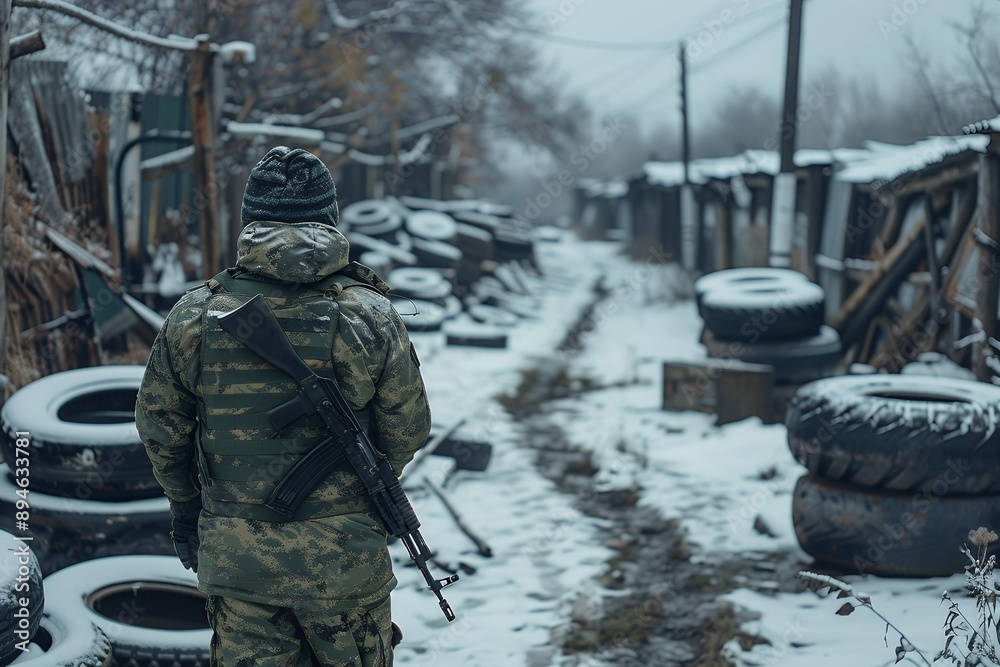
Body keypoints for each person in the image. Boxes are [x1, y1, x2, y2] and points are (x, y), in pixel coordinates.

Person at [136, 146, 431, 667]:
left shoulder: (194, 315)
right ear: (330, 217)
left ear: (249, 220)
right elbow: (407, 429)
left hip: (239, 565)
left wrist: (186, 506)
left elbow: (160, 428)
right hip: (344, 566)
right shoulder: (372, 314)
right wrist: (359, 485)